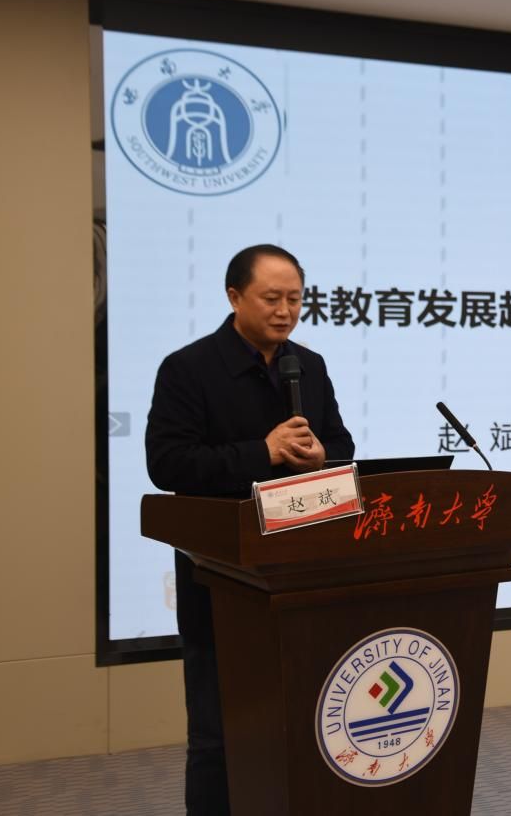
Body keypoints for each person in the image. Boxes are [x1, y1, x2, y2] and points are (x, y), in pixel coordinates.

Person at [145, 244, 354, 815]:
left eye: (295, 299)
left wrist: (322, 457)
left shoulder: (308, 365)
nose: (285, 311)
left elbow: (341, 444)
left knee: (306, 721)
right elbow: (168, 464)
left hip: (302, 568)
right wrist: (262, 452)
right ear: (235, 296)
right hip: (221, 577)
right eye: (271, 298)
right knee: (219, 731)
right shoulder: (188, 368)